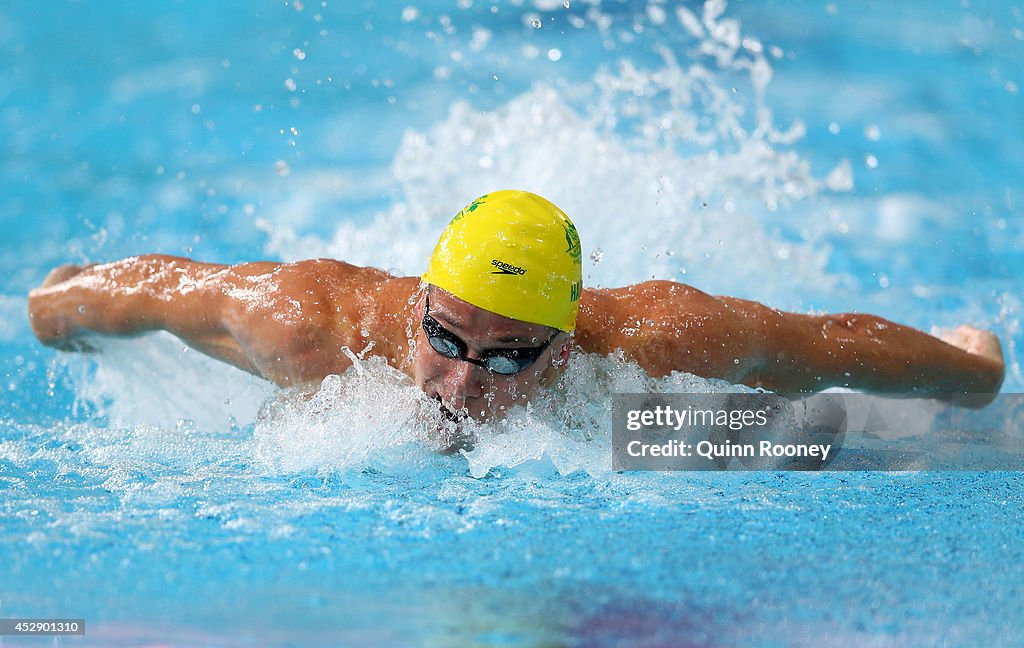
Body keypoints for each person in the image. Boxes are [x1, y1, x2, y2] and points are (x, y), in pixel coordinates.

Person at [27, 190, 1005, 424]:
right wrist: (53, 308)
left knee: (803, 435)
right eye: (443, 339)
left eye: (506, 362)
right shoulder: (306, 324)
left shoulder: (662, 341)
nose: (457, 384)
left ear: (564, 351)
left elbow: (838, 346)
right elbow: (153, 289)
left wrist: (975, 373)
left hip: (652, 420)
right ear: (413, 306)